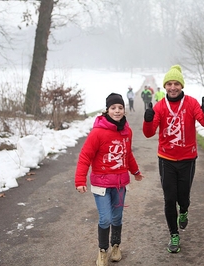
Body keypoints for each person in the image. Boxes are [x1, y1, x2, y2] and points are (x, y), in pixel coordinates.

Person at [143, 65, 204, 253]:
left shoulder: (190, 103)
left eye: (176, 84)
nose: (173, 87)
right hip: (166, 159)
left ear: (181, 86)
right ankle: (174, 234)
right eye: (169, 84)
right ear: (165, 86)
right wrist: (148, 119)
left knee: (183, 197)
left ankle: (183, 211)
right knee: (169, 199)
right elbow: (149, 133)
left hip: (187, 159)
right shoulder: (159, 106)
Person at [75, 93, 144, 266]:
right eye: (113, 108)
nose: (117, 111)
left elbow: (127, 155)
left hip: (120, 184)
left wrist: (135, 171)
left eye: (120, 108)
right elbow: (85, 156)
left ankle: (116, 246)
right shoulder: (97, 133)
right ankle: (103, 250)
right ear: (107, 110)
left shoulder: (127, 131)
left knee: (117, 218)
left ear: (124, 110)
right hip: (101, 185)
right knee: (105, 218)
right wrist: (80, 180)